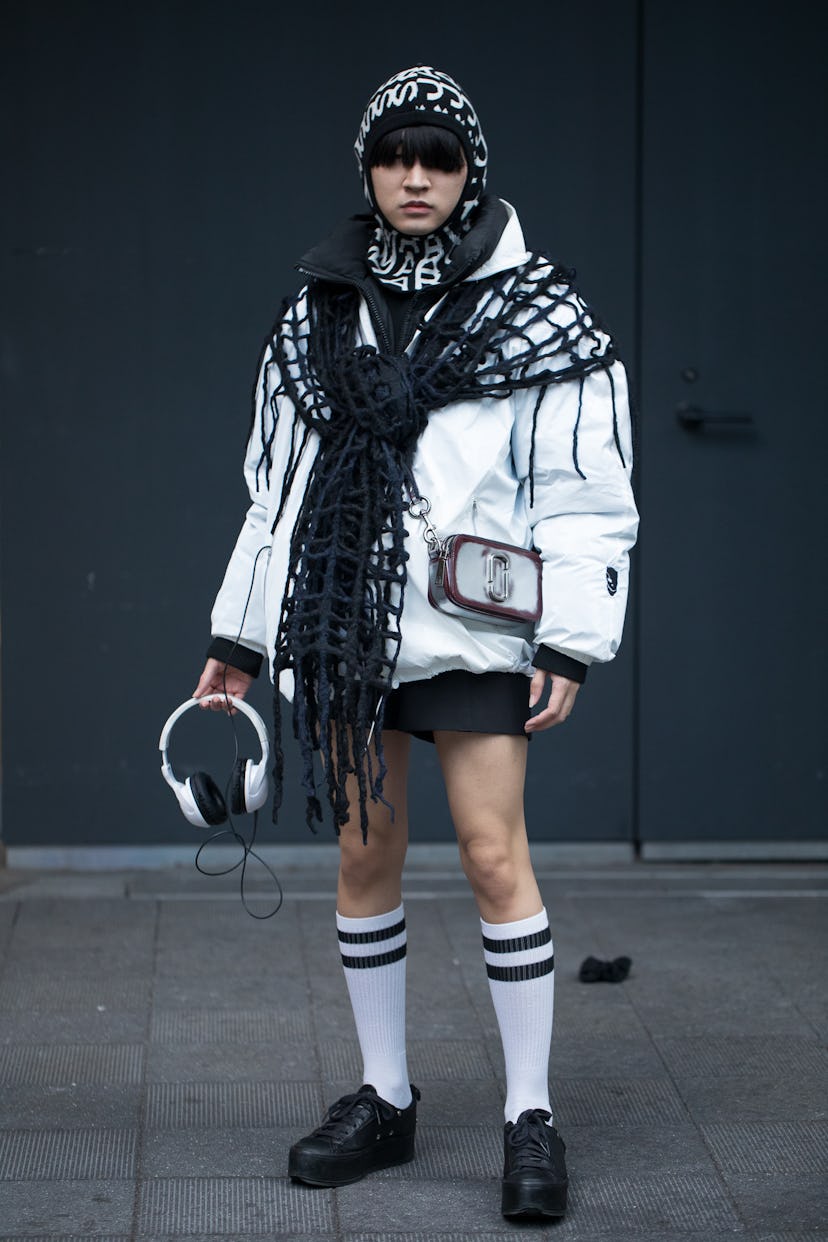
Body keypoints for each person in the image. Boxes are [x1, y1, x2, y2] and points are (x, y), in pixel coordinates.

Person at [193, 65, 638, 1221]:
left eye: (437, 159)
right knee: (362, 858)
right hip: (343, 626)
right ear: (369, 171)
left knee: (495, 857)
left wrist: (573, 638)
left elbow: (585, 493)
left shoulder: (538, 310)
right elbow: (276, 489)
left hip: (477, 629)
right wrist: (237, 639)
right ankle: (385, 1096)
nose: (415, 178)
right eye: (396, 157)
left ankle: (528, 1115)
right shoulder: (319, 310)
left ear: (469, 173)